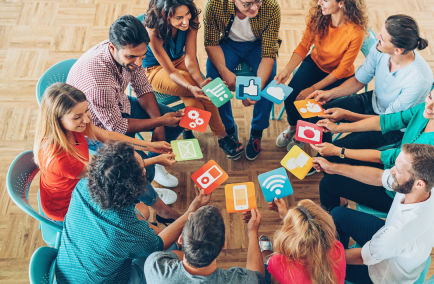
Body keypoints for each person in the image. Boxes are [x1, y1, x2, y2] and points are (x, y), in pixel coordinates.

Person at [54, 141, 212, 284]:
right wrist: (191, 211)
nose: (145, 170)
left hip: (67, 271)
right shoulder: (124, 228)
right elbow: (158, 245)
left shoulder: (82, 186)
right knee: (179, 257)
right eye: (143, 170)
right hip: (113, 280)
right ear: (134, 188)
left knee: (143, 210)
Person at [313, 75, 434, 212]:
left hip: (398, 191)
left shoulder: (433, 146)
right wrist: (342, 123)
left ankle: (333, 226)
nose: (428, 105)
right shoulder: (429, 111)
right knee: (334, 163)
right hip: (397, 167)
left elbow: (385, 158)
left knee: (328, 184)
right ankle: (340, 205)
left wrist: (338, 151)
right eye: (430, 96)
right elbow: (388, 121)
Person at [33, 83, 180, 226]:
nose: (86, 119)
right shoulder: (59, 159)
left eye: (86, 110)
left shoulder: (75, 124)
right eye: (77, 117)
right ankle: (164, 211)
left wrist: (151, 146)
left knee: (135, 169)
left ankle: (159, 208)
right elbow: (114, 172)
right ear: (57, 120)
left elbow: (108, 136)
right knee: (130, 180)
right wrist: (156, 159)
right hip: (68, 206)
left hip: (81, 183)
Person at [67, 14, 184, 188]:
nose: (138, 63)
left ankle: (155, 160)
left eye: (142, 56)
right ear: (112, 47)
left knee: (174, 122)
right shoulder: (99, 84)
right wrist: (159, 121)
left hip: (118, 102)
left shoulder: (130, 55)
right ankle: (148, 190)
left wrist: (159, 126)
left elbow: (143, 88)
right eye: (131, 57)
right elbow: (116, 127)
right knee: (137, 171)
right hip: (96, 126)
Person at [143, 0, 243, 160]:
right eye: (179, 18)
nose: (185, 21)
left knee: (199, 102)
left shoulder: (192, 20)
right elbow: (171, 72)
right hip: (156, 70)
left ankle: (187, 129)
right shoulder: (153, 32)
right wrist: (191, 87)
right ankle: (223, 137)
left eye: (187, 14)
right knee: (204, 97)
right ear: (164, 16)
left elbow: (190, 58)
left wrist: (201, 82)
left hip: (180, 60)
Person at [306, 14, 433, 150]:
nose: (377, 37)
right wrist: (330, 94)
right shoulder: (379, 49)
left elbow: (385, 121)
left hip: (391, 126)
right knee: (316, 116)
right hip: (374, 101)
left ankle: (325, 157)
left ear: (398, 50)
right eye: (380, 32)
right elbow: (359, 79)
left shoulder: (418, 81)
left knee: (337, 150)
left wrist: (345, 119)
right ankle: (323, 150)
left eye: (382, 38)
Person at [327, 143, 434, 284]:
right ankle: (337, 250)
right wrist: (333, 168)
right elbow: (381, 177)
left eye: (399, 170)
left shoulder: (400, 231)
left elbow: (363, 257)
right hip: (393, 243)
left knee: (324, 265)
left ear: (419, 184)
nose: (391, 170)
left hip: (384, 274)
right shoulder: (431, 188)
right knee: (338, 214)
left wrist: (324, 256)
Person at [276, 0, 368, 154]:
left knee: (314, 110)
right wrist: (287, 71)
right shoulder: (318, 15)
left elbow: (342, 70)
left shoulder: (355, 32)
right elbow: (304, 46)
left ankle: (306, 139)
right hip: (315, 63)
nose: (319, 3)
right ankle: (294, 127)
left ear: (341, 2)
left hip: (338, 76)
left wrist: (313, 88)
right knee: (291, 96)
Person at [204, 0, 281, 161]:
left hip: (258, 46)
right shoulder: (214, 2)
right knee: (213, 79)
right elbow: (211, 43)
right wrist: (224, 71)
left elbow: (269, 52)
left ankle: (256, 132)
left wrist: (256, 88)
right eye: (247, 4)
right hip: (228, 45)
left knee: (269, 83)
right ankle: (228, 128)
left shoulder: (271, 6)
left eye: (257, 0)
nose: (254, 8)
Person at [144, 205, 265, 283]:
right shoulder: (244, 280)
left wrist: (190, 216)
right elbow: (258, 277)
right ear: (223, 244)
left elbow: (173, 255)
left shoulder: (155, 266)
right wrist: (253, 231)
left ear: (180, 239)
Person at [253, 198, 346, 284]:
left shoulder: (277, 263)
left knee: (264, 274)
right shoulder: (338, 248)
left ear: (289, 238)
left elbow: (274, 280)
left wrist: (252, 230)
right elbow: (312, 237)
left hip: (278, 271)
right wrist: (289, 217)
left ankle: (267, 260)